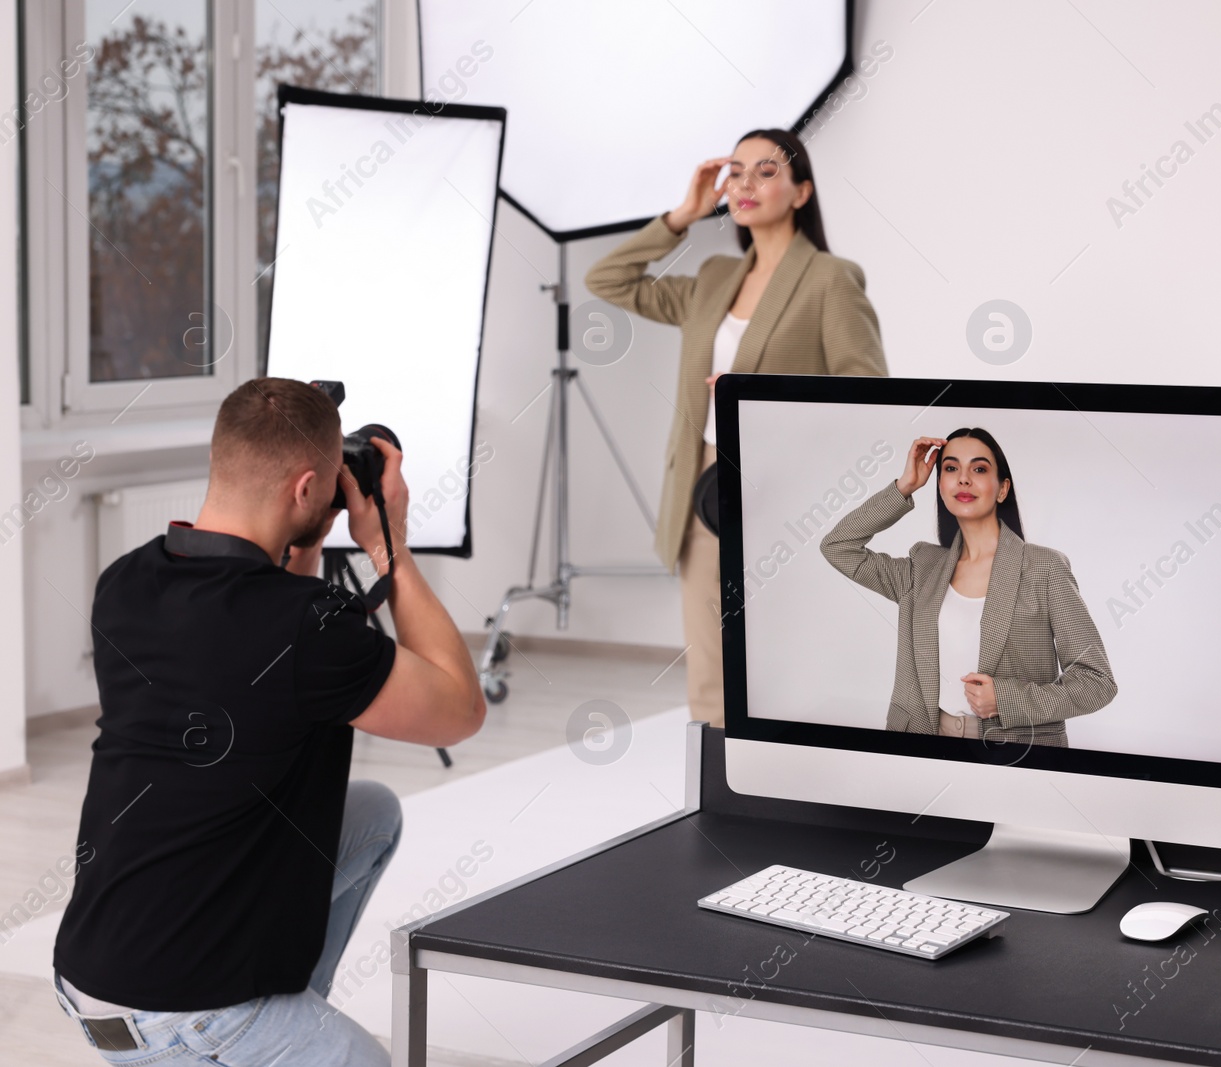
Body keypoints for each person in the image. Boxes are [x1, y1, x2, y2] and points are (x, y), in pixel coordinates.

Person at [52, 378, 487, 1065]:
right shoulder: (307, 632)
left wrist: (304, 534)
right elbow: (460, 709)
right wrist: (389, 547)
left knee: (371, 813)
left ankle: (282, 1013)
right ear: (308, 486)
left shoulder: (126, 581)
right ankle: (249, 1030)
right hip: (177, 1010)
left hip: (90, 974)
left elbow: (260, 635)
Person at [585, 128, 887, 728]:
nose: (746, 184)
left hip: (788, 487)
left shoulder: (830, 279)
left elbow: (868, 397)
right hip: (706, 485)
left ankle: (796, 775)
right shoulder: (714, 279)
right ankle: (722, 789)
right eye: (738, 171)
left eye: (767, 171)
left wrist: (758, 399)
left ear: (802, 192)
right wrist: (681, 216)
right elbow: (608, 281)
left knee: (787, 644)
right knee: (710, 653)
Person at [820, 429, 1116, 746]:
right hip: (924, 739)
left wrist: (1006, 699)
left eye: (978, 469)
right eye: (950, 468)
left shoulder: (1045, 569)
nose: (963, 479)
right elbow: (838, 547)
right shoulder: (922, 567)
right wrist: (904, 487)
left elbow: (1096, 681)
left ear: (1002, 489)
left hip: (1016, 750)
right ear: (940, 485)